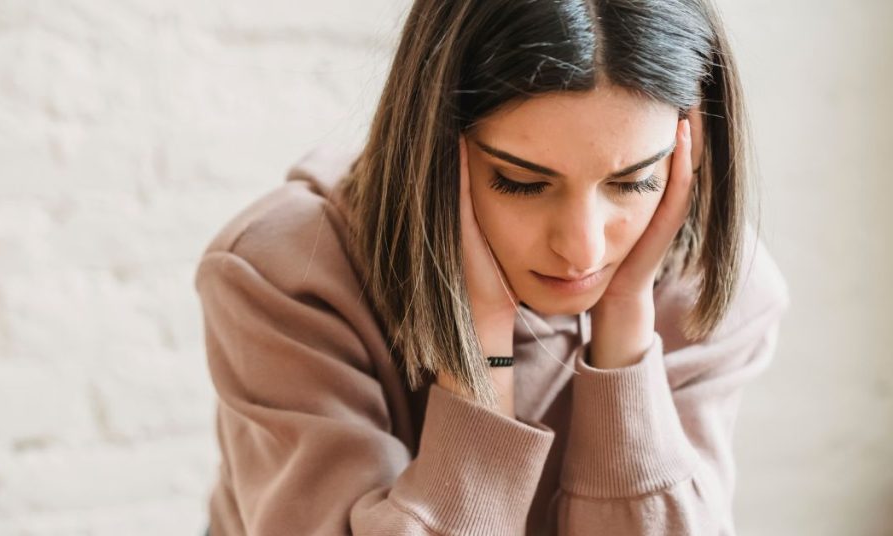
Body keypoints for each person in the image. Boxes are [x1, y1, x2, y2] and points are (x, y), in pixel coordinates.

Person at [195, 0, 790, 534]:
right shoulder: (284, 280)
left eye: (634, 181)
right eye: (523, 182)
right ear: (430, 144)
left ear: (693, 149)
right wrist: (478, 361)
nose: (582, 250)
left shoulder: (717, 288)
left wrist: (625, 334)